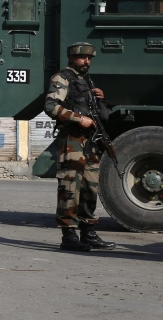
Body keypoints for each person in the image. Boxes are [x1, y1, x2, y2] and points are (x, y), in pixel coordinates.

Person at [45, 42, 116, 252]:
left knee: (90, 188)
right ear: (72, 58)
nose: (87, 62)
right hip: (72, 141)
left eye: (89, 58)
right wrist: (79, 119)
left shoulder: (85, 81)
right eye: (83, 58)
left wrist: (100, 99)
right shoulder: (61, 78)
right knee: (69, 189)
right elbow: (51, 106)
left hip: (90, 142)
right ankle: (68, 236)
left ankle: (88, 233)